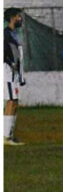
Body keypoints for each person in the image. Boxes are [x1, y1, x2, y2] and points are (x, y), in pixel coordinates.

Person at [4, 8, 25, 146]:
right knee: (11, 101)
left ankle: (9, 134)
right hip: (8, 72)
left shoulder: (13, 33)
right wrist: (11, 63)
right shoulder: (5, 34)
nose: (20, 19)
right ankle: (6, 136)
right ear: (12, 18)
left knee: (14, 102)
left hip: (15, 74)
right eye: (18, 16)